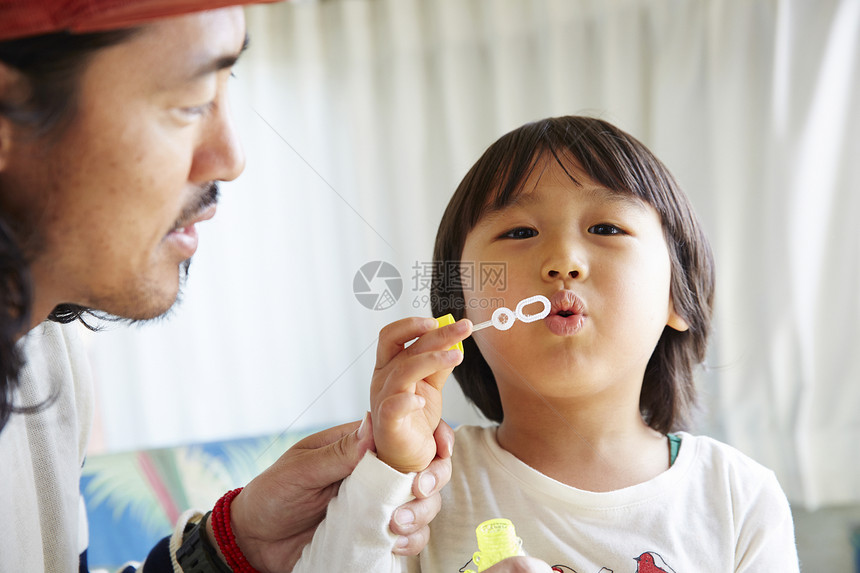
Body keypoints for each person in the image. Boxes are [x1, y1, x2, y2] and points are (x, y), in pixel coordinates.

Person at [0, 2, 464, 572]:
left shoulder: (47, 352)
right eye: (192, 102)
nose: (231, 159)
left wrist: (232, 547)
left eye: (228, 88)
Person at [290, 115, 800, 572]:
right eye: (518, 232)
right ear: (462, 305)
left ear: (678, 295)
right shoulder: (424, 483)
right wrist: (387, 471)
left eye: (606, 227)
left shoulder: (738, 498)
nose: (563, 260)